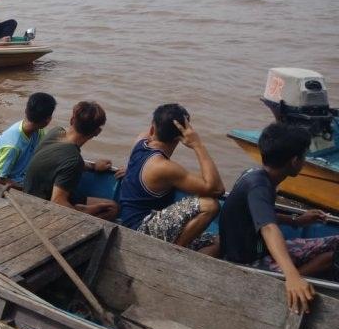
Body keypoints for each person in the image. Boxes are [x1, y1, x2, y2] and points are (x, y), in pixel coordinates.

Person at [220, 123, 339, 314]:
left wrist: (296, 221)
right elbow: (268, 227)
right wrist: (292, 276)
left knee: (336, 242)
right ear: (294, 161)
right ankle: (292, 283)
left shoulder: (256, 174)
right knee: (329, 258)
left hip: (258, 248)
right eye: (304, 156)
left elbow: (262, 214)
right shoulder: (259, 186)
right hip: (249, 261)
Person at [118, 103, 224, 255]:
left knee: (217, 243)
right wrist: (197, 145)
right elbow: (217, 189)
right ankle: (173, 253)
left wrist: (131, 170)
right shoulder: (163, 167)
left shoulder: (141, 141)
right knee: (210, 205)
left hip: (130, 220)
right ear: (181, 138)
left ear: (152, 129)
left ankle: (178, 250)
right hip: (141, 228)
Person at [23, 101, 119, 221]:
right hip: (40, 206)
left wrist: (93, 166)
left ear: (72, 120)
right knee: (112, 208)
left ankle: (80, 209)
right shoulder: (73, 160)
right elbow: (57, 202)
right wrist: (83, 212)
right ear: (97, 132)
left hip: (28, 192)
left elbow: (61, 162)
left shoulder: (56, 132)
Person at [0, 92, 56, 187]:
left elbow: (49, 145)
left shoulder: (35, 129)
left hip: (16, 174)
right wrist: (21, 188)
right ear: (48, 120)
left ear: (26, 110)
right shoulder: (13, 146)